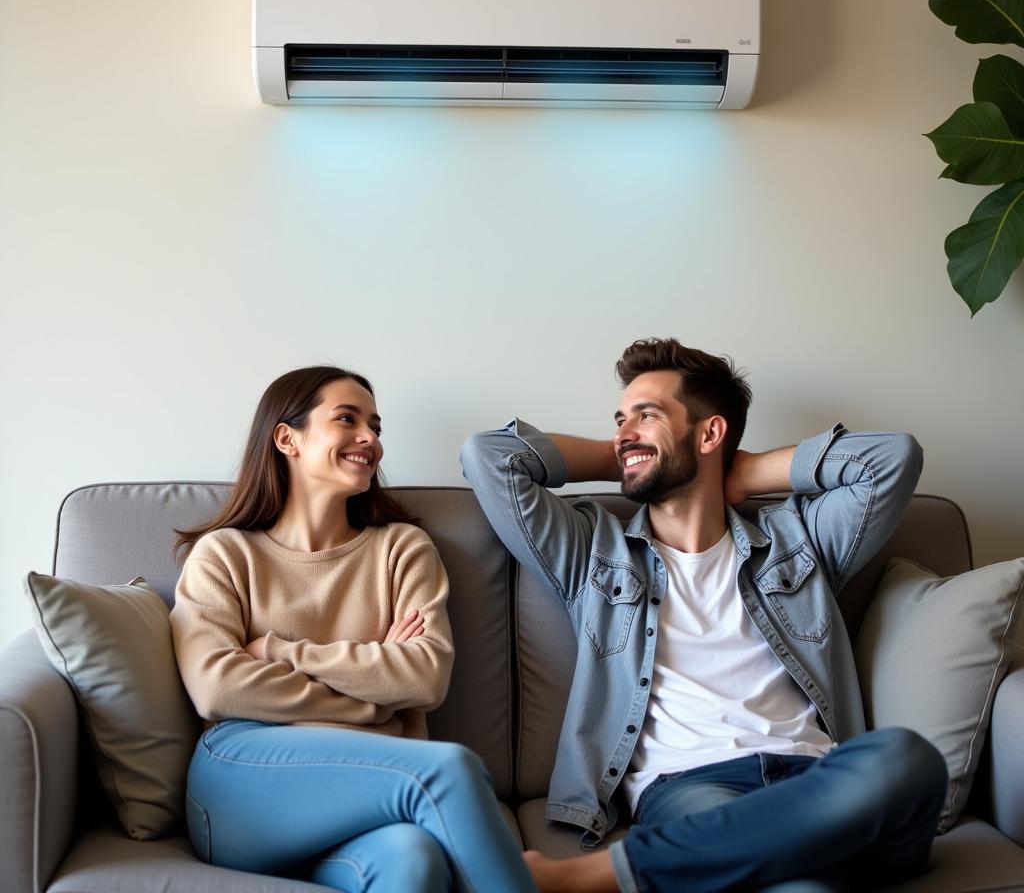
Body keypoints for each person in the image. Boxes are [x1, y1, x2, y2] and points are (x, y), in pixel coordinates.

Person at [461, 338, 947, 893]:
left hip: (825, 782)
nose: (624, 431)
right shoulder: (592, 552)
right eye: (620, 420)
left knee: (907, 757)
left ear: (711, 432)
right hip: (695, 787)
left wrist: (744, 470)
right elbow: (489, 456)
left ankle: (604, 876)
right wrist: (630, 452)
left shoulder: (800, 541)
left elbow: (891, 458)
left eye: (647, 415)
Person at [170, 365, 537, 893]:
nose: (371, 439)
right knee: (447, 769)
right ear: (286, 438)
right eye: (348, 419)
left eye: (376, 425)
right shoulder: (226, 554)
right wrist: (375, 694)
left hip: (364, 800)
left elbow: (425, 679)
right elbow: (216, 687)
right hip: (243, 782)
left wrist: (277, 652)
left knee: (413, 862)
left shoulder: (402, 549)